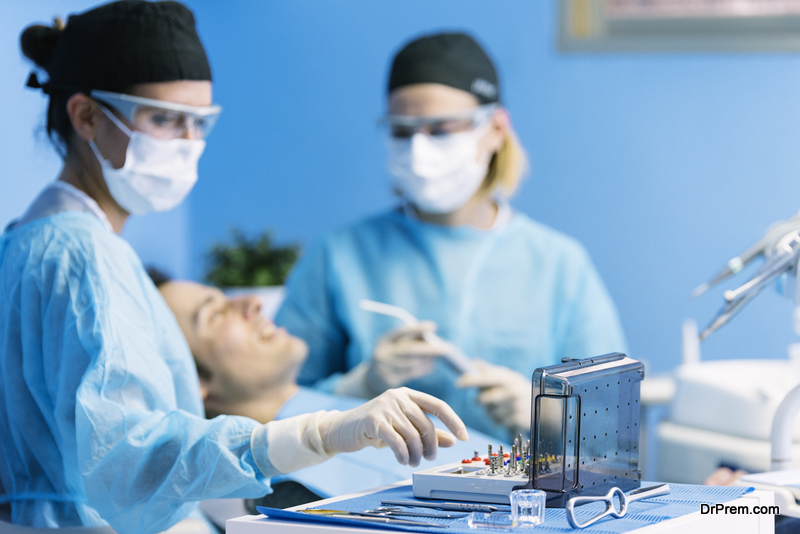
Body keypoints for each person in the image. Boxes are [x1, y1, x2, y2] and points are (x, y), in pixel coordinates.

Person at [0, 4, 467, 533]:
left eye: (199, 122)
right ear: (86, 116)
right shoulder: (81, 254)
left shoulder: (31, 239)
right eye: (163, 119)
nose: (186, 143)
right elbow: (130, 462)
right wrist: (323, 433)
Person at [275, 31, 627, 442]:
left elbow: (613, 427)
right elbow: (277, 407)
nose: (419, 151)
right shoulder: (340, 256)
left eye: (441, 129)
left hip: (523, 500)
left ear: (496, 129)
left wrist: (546, 416)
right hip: (375, 497)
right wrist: (361, 386)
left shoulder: (558, 264)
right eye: (402, 132)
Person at [150, 271, 503, 508]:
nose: (252, 302)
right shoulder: (282, 498)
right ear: (192, 381)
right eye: (215, 314)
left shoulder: (341, 401)